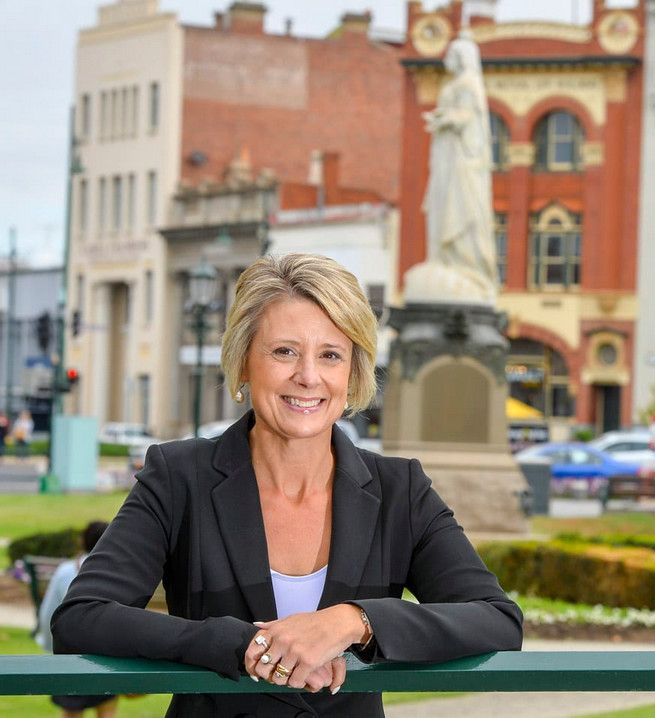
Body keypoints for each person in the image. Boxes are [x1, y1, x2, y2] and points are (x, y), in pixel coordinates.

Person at [52, 254, 523, 716]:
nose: (308, 376)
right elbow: (81, 617)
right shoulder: (178, 477)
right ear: (243, 362)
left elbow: (497, 620)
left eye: (330, 355)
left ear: (352, 373)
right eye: (284, 351)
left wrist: (353, 621)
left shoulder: (400, 490)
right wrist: (243, 644)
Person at [405, 31, 498, 304]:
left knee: (460, 206)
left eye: (451, 54)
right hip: (447, 157)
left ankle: (464, 263)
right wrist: (441, 118)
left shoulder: (468, 84)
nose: (446, 59)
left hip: (462, 161)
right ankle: (444, 259)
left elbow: (468, 120)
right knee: (442, 205)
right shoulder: (456, 84)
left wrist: (445, 119)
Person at [36, 521, 117, 718]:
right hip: (104, 656)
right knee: (106, 711)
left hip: (69, 655)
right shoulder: (115, 573)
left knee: (71, 712)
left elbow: (49, 612)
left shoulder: (66, 571)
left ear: (83, 541)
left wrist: (49, 646)